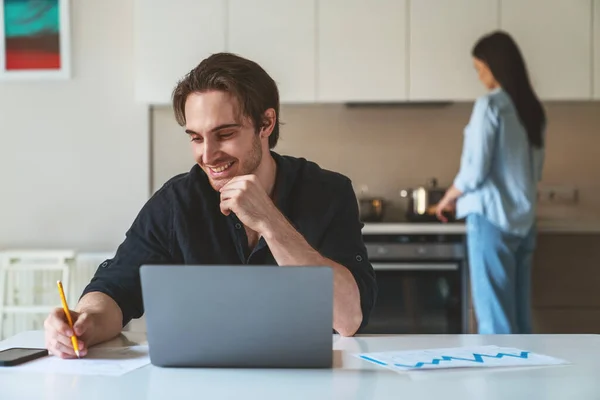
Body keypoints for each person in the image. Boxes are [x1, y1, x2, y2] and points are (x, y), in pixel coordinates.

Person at [44, 53, 377, 358]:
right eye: (196, 137)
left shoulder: (328, 192)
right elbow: (115, 288)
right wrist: (83, 321)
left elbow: (348, 320)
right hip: (201, 382)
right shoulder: (176, 202)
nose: (207, 155)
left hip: (309, 383)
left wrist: (271, 223)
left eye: (225, 134)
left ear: (266, 124)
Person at [435, 31, 546, 334]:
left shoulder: (491, 106)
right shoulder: (532, 110)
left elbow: (474, 171)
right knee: (520, 318)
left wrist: (448, 198)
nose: (480, 76)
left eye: (480, 69)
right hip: (524, 222)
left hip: (491, 219)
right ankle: (525, 381)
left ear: (496, 66)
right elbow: (536, 171)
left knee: (495, 319)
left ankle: (502, 382)